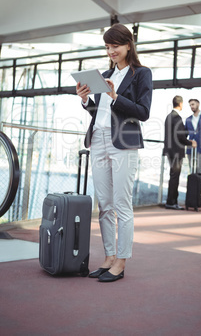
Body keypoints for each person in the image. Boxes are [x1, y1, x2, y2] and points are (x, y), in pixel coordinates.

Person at [76, 23, 153, 282]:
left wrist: (114, 95)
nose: (111, 51)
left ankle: (121, 261)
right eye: (108, 47)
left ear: (128, 45)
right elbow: (100, 113)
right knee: (105, 205)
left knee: (121, 204)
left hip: (124, 143)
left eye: (116, 46)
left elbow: (143, 112)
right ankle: (108, 257)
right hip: (98, 139)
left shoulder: (141, 74)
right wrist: (86, 100)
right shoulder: (105, 74)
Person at [163, 96, 197, 210]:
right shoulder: (177, 118)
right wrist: (190, 143)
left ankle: (170, 201)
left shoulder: (169, 117)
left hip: (169, 151)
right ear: (181, 104)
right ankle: (172, 202)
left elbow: (175, 134)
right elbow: (180, 137)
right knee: (175, 177)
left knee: (173, 176)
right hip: (176, 152)